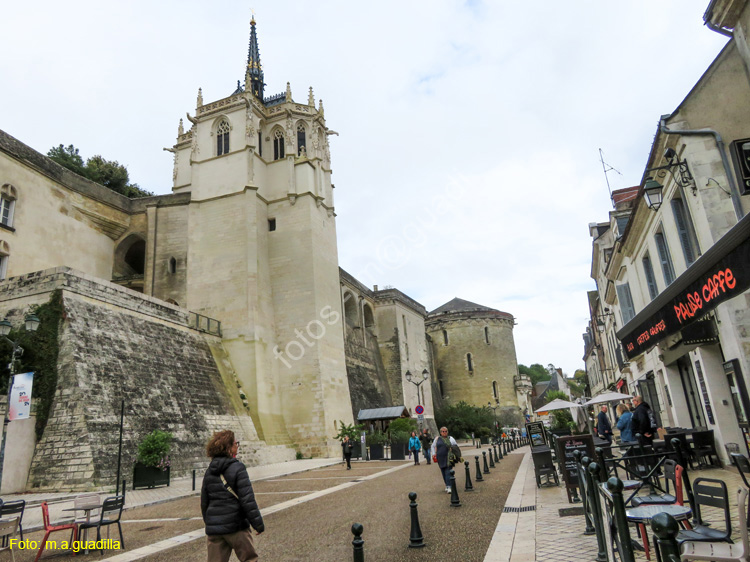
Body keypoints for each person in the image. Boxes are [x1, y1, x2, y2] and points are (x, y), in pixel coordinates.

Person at [201, 430, 264, 562]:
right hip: (236, 525)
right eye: (236, 444)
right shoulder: (238, 468)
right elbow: (247, 499)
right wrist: (257, 524)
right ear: (229, 447)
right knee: (249, 559)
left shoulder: (209, 471)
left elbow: (204, 501)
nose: (237, 446)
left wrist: (211, 522)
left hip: (215, 528)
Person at [430, 426, 458, 493]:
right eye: (443, 431)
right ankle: (447, 484)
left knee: (448, 471)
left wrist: (454, 452)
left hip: (449, 458)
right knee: (443, 472)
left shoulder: (451, 438)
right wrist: (434, 454)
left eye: (445, 431)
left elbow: (455, 446)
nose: (444, 433)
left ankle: (449, 486)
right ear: (440, 432)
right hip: (440, 458)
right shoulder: (437, 439)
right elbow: (433, 446)